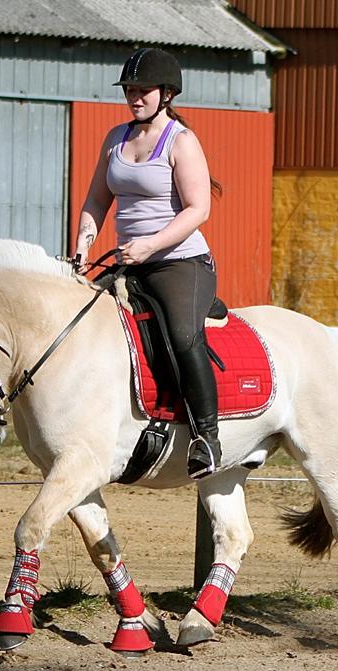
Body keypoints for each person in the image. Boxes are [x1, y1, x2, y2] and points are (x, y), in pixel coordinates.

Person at [74, 47, 221, 479]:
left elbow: (198, 209)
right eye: (129, 90)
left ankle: (207, 438)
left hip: (180, 262)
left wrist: (150, 245)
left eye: (143, 90)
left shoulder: (181, 141)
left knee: (182, 336)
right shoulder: (115, 138)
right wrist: (82, 248)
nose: (134, 97)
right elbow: (96, 201)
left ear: (167, 94)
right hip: (129, 261)